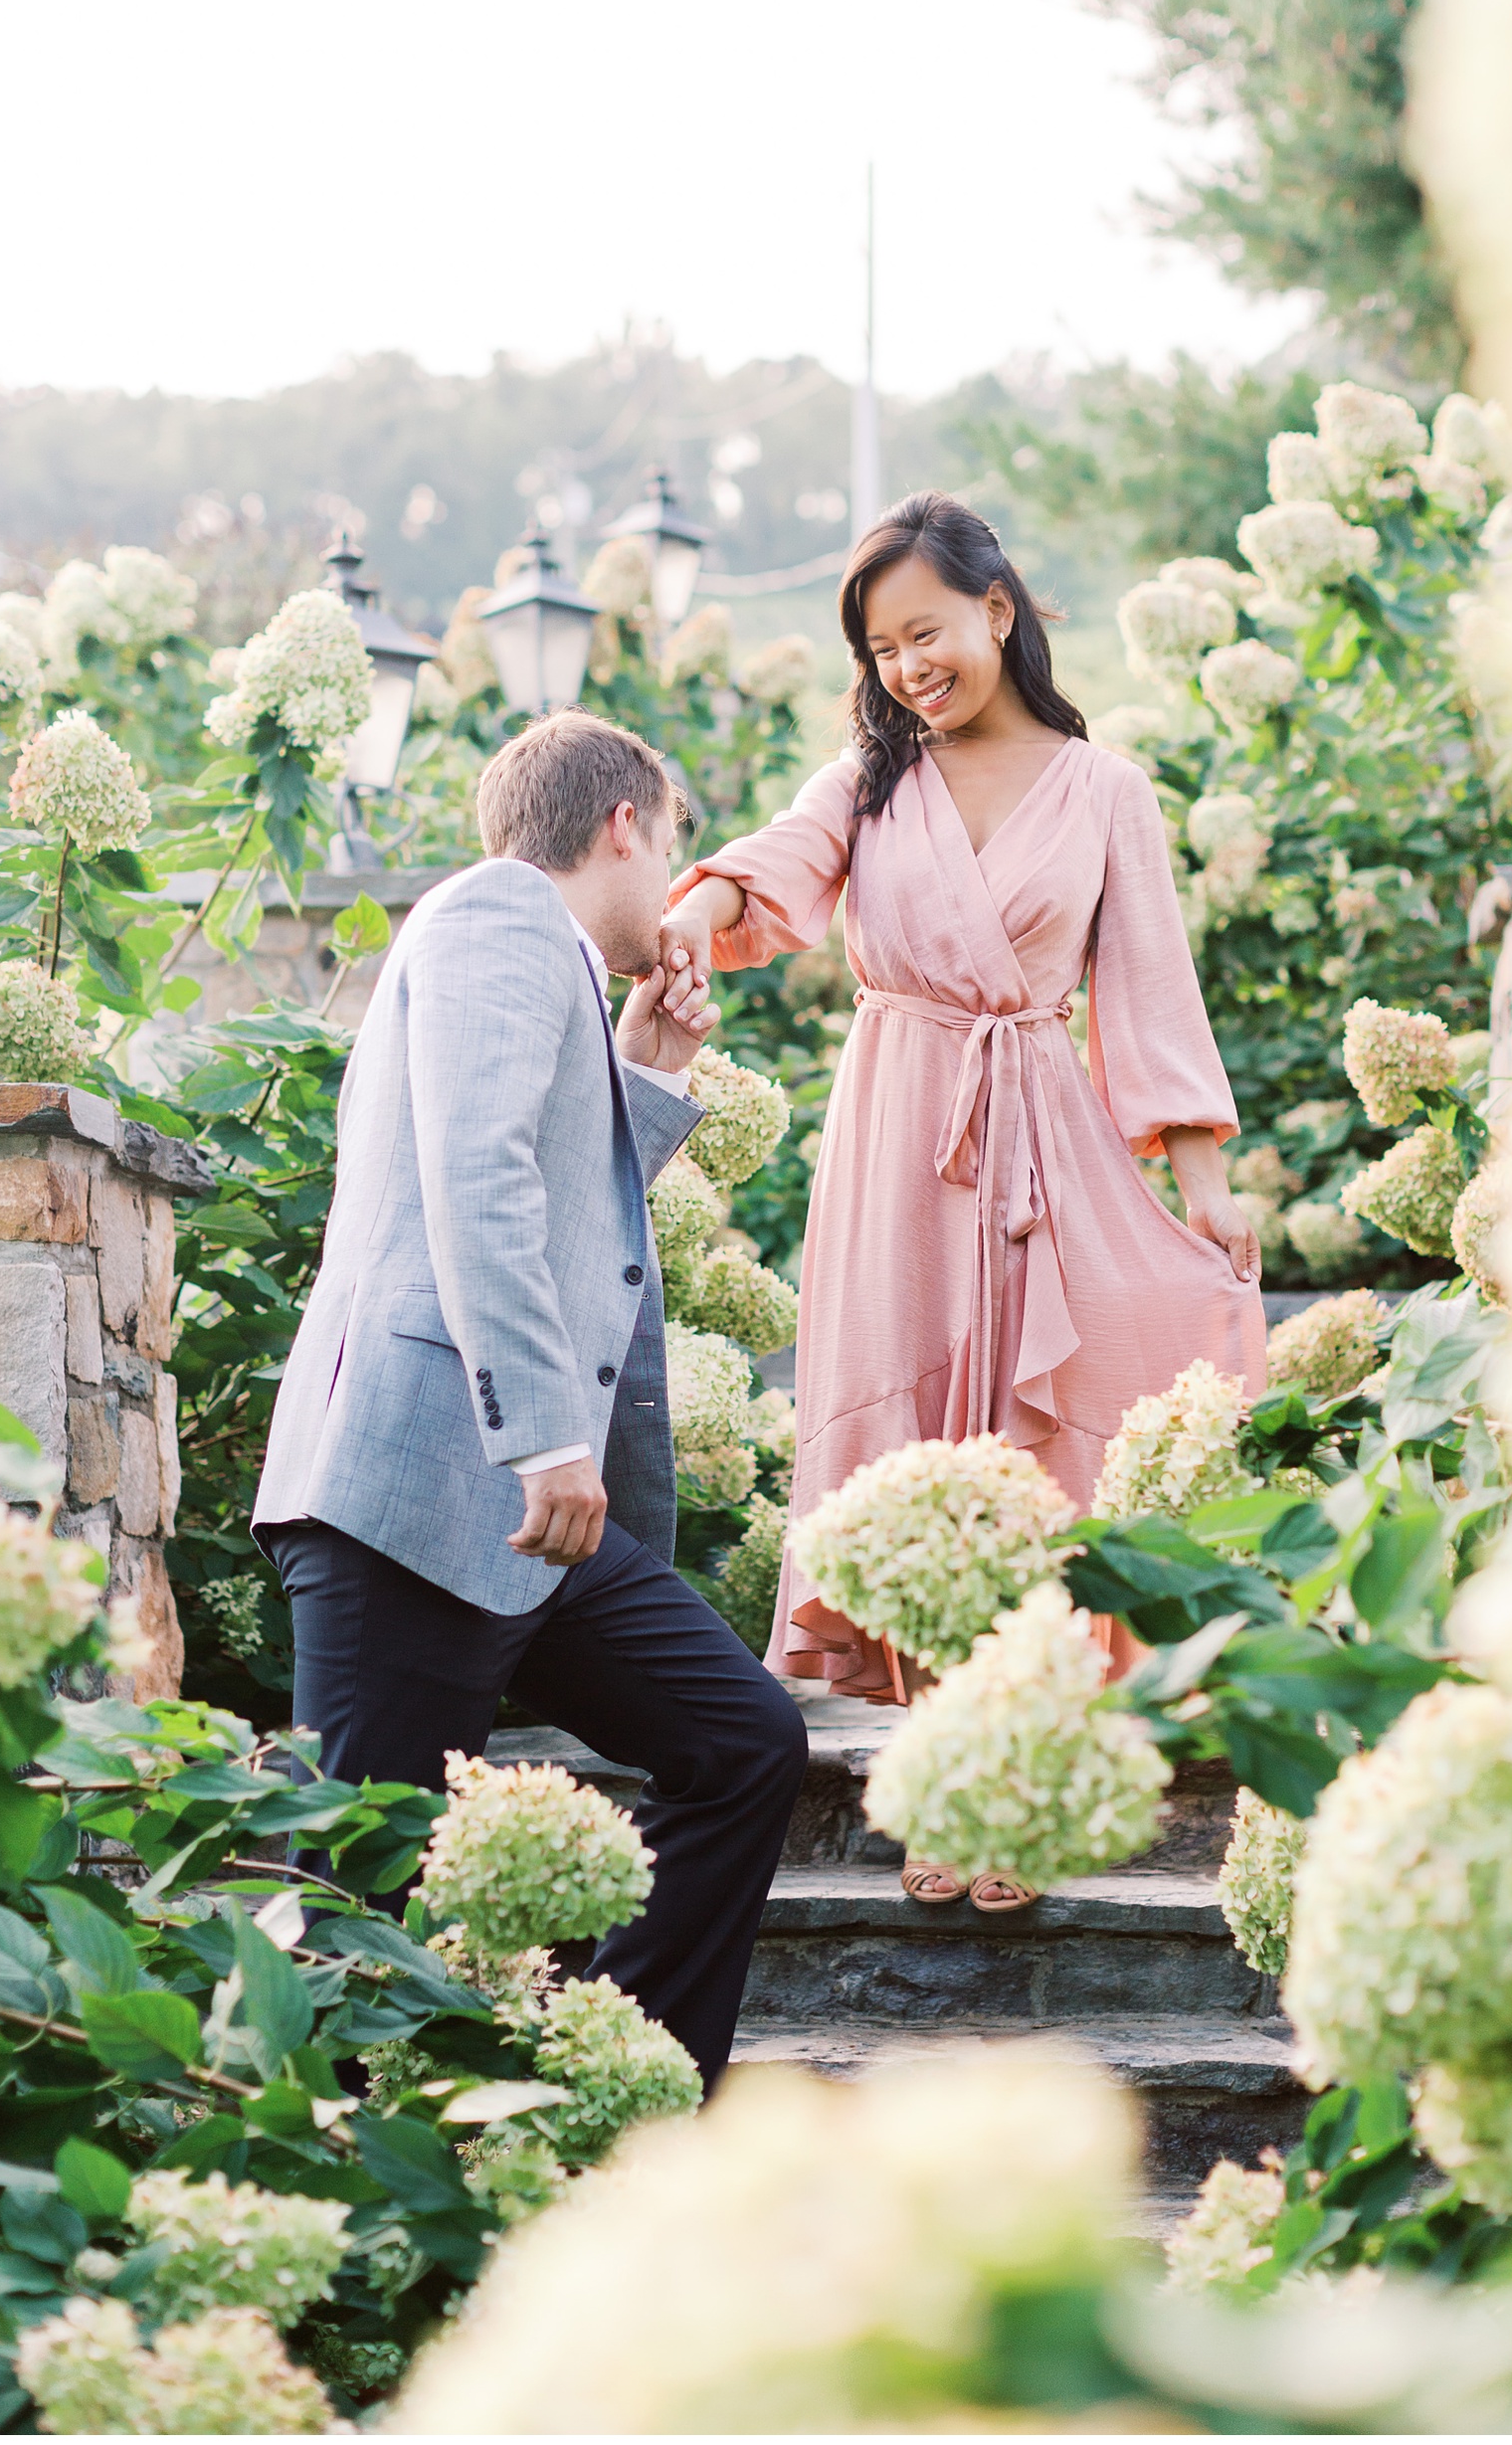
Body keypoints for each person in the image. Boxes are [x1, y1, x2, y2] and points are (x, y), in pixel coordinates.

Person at [663, 492, 1263, 1913]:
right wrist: (691, 914)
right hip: (895, 1141)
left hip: (1041, 1132)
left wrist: (1211, 1192)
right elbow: (776, 870)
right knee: (910, 1443)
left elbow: (1150, 996)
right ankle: (944, 1765)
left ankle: (1022, 1772)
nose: (906, 667)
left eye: (925, 630)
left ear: (999, 610)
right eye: (880, 648)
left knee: (1045, 1441)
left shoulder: (1104, 789)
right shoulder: (867, 786)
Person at [253, 708, 808, 2088]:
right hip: (422, 1485)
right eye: (669, 845)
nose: (671, 886)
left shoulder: (538, 955)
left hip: (510, 1513)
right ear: (625, 824)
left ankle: (601, 2082)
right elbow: (479, 1181)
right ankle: (326, 2203)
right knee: (357, 1901)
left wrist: (645, 1075)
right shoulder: (497, 916)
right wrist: (547, 1433)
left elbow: (549, 1192)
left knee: (744, 1743)